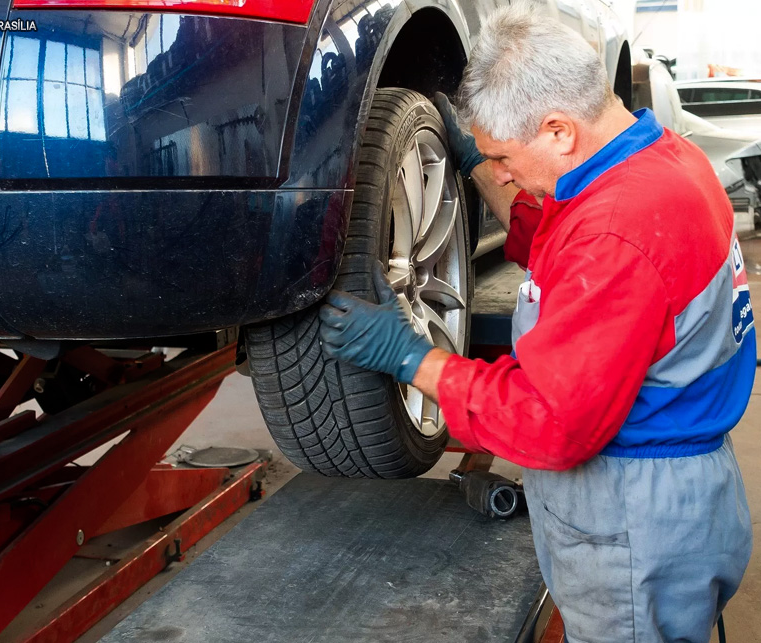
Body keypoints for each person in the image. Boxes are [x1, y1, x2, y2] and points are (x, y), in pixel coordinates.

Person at [318, 5, 755, 642]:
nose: (499, 173)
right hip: (680, 491)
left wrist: (414, 359)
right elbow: (558, 240)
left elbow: (550, 421)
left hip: (637, 519)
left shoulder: (617, 232)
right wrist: (472, 161)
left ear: (557, 131)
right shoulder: (663, 161)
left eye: (501, 155)